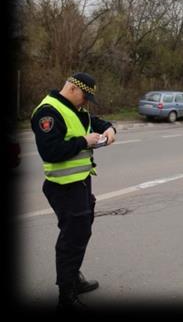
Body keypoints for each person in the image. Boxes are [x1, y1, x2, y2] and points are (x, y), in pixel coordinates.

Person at [31, 72, 117, 310]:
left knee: (81, 232)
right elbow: (50, 151)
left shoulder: (75, 109)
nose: (86, 101)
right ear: (72, 89)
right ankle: (66, 296)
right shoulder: (48, 112)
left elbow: (94, 122)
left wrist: (110, 129)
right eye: (85, 96)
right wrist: (84, 142)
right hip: (63, 186)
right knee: (72, 238)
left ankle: (73, 279)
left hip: (79, 183)